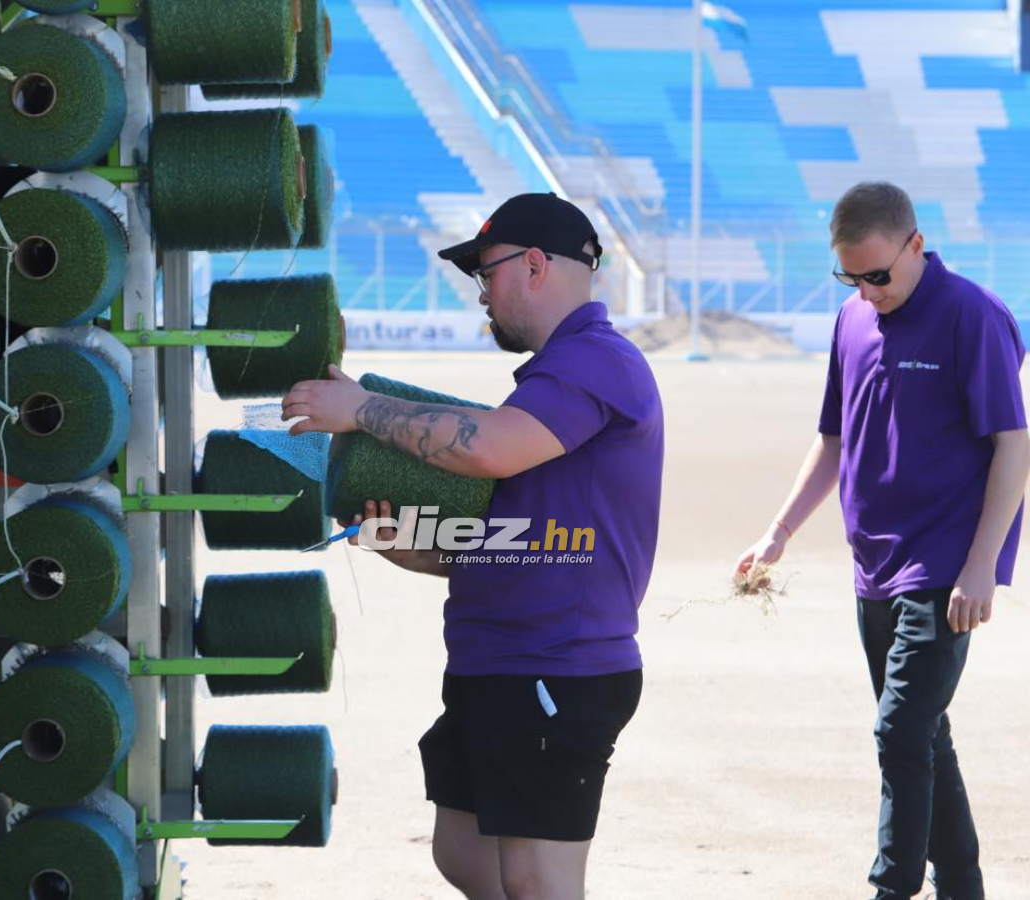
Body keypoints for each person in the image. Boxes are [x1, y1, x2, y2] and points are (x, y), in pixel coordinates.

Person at [281, 192, 664, 900]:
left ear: (537, 266)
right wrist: (405, 547)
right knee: (464, 852)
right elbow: (517, 542)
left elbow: (487, 448)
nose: (481, 293)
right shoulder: (554, 378)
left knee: (537, 882)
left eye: (487, 273)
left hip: (558, 667)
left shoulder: (596, 362)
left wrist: (360, 408)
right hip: (503, 662)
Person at [735, 181, 1030, 900]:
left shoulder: (973, 317)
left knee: (898, 732)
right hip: (873, 565)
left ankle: (891, 887)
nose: (868, 291)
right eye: (850, 276)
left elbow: (1014, 446)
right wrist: (777, 533)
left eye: (878, 275)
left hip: (946, 568)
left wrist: (982, 564)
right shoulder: (850, 321)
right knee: (924, 737)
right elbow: (833, 439)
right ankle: (963, 887)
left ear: (915, 246)